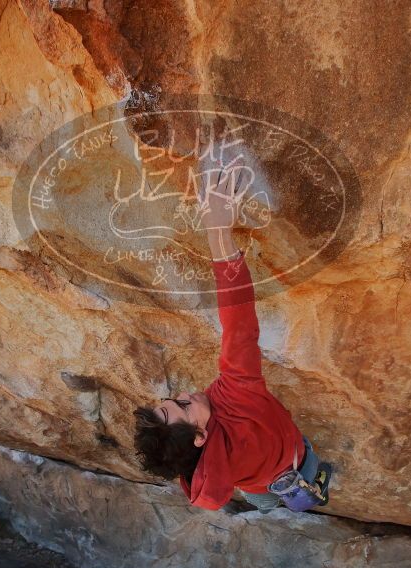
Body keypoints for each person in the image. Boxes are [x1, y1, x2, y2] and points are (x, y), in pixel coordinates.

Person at [133, 163, 332, 513]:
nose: (182, 394)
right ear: (199, 437)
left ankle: (284, 498)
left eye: (170, 398)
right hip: (294, 460)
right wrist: (217, 230)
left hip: (256, 484)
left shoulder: (198, 464)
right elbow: (239, 326)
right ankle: (302, 477)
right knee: (299, 473)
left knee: (266, 499)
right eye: (182, 406)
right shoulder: (237, 400)